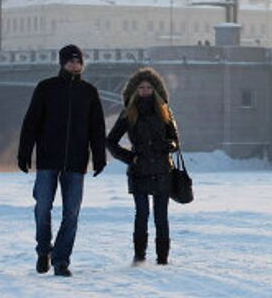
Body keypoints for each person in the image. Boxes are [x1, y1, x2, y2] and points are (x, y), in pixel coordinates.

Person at [17, 44, 107, 277]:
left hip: (76, 163)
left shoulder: (89, 92)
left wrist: (99, 156)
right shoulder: (46, 88)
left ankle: (61, 260)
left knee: (71, 214)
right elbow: (31, 123)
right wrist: (24, 152)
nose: (74, 65)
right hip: (48, 160)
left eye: (78, 61)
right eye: (70, 61)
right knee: (43, 207)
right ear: (62, 63)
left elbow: (96, 128)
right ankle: (43, 250)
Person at [107, 67, 180, 265]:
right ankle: (139, 256)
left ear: (155, 90)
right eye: (141, 87)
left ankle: (163, 258)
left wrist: (165, 146)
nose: (145, 91)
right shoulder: (129, 113)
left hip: (162, 170)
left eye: (149, 87)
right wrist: (130, 158)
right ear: (135, 90)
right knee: (142, 214)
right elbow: (111, 141)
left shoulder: (164, 112)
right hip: (139, 170)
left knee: (161, 216)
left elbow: (175, 141)